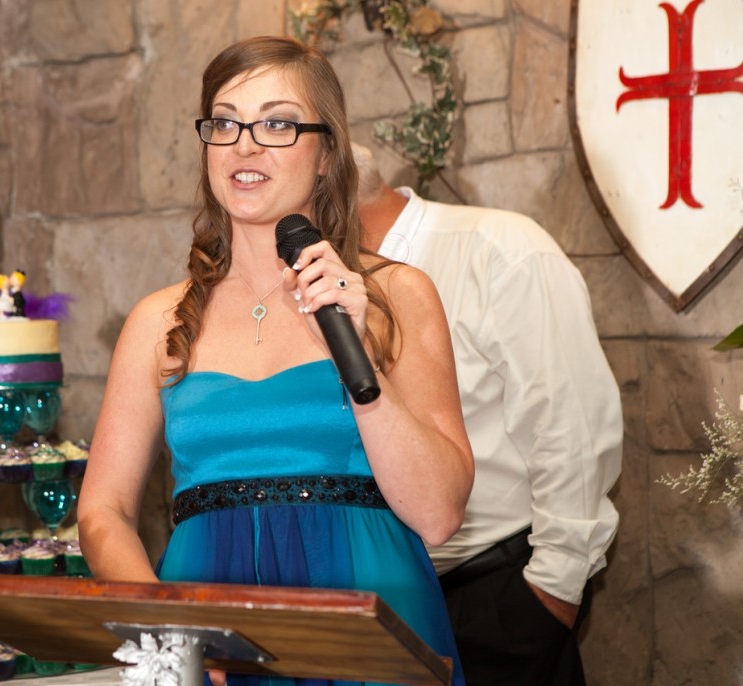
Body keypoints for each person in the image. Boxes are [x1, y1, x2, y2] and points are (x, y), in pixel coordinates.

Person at [77, 36, 473, 686]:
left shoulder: (396, 296)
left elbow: (438, 514)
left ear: (326, 154)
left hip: (368, 632)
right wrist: (164, 628)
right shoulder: (157, 321)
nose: (245, 146)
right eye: (225, 123)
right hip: (204, 638)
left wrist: (359, 360)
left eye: (278, 124)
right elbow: (104, 512)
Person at [352, 142, 623, 686]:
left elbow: (571, 424)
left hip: (495, 596)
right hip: (378, 605)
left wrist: (552, 593)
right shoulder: (316, 286)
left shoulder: (496, 248)